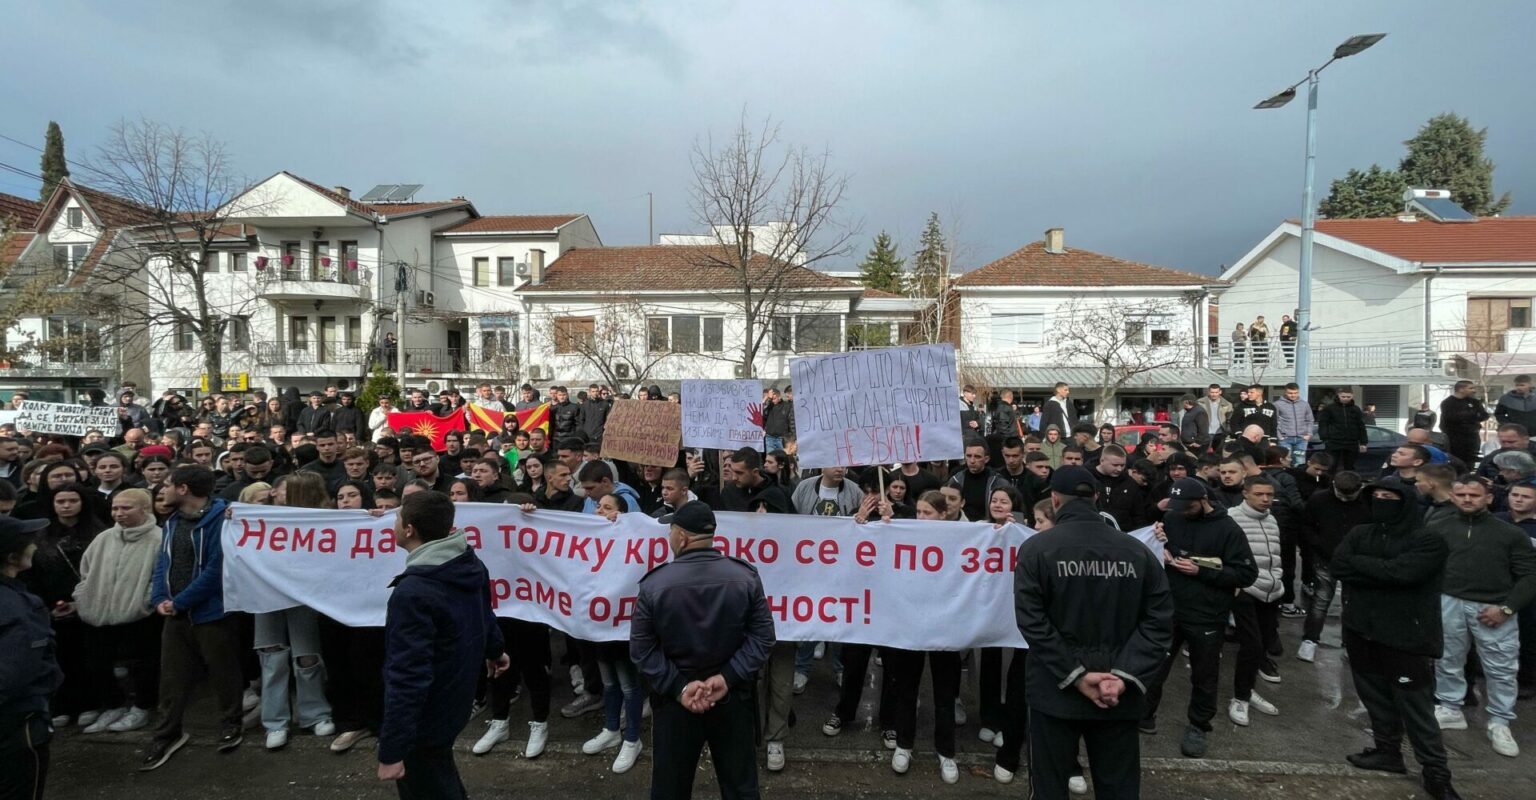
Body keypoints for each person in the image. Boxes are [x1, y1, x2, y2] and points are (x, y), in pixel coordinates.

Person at [1013, 465, 1174, 800]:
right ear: (1097, 498)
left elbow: (1032, 622)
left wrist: (1075, 674)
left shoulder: (1037, 550)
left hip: (1054, 690)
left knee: (1049, 788)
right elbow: (1159, 621)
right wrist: (1122, 676)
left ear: (1055, 500)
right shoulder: (1137, 552)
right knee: (1118, 788)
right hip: (1118, 693)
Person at [630, 501, 775, 800]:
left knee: (670, 787)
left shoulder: (654, 585)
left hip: (675, 703)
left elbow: (642, 650)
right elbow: (763, 638)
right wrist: (728, 677)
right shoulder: (745, 577)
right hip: (732, 697)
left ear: (681, 537)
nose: (669, 538)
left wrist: (680, 688)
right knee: (740, 786)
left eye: (671, 532)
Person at [1331, 478, 1461, 800]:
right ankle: (1387, 752)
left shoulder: (1428, 539)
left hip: (1406, 636)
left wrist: (1364, 567)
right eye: (1376, 496)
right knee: (1375, 698)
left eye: (1389, 497)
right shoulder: (1361, 533)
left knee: (1416, 707)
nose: (1381, 501)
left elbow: (1405, 574)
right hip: (1362, 631)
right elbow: (1338, 566)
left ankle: (1436, 773)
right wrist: (1382, 571)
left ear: (1404, 502)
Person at [377, 490, 508, 798]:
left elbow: (408, 673)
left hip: (426, 715)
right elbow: (482, 611)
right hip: (455, 699)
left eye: (396, 518)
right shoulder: (466, 561)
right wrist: (495, 649)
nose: (393, 524)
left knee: (429, 785)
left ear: (409, 529)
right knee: (439, 773)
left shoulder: (413, 592)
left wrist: (393, 748)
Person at [1140, 478, 1257, 757]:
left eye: (1188, 506)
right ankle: (1143, 714)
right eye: (1177, 507)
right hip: (1169, 608)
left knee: (1204, 674)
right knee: (1155, 665)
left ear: (1203, 500)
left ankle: (1199, 725)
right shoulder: (1173, 517)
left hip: (1207, 614)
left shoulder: (1228, 528)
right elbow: (1158, 542)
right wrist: (1161, 549)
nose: (1182, 511)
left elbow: (1246, 574)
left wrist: (1202, 572)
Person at [141, 465, 245, 770]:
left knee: (222, 670)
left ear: (184, 489)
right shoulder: (172, 521)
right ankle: (167, 733)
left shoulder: (221, 520)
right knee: (171, 678)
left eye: (169, 484)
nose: (163, 490)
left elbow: (216, 568)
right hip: (176, 613)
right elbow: (164, 561)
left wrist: (181, 601)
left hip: (211, 612)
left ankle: (230, 722)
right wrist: (160, 597)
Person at [1426, 476, 1536, 759]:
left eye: (1474, 495)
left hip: (1493, 608)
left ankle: (1500, 721)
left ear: (1488, 498)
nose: (1466, 500)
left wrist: (1507, 608)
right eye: (1461, 494)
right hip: (1448, 600)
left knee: (1501, 667)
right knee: (1447, 657)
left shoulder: (1511, 534)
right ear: (1452, 496)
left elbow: (1529, 576)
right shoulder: (1438, 526)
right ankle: (1450, 707)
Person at [72, 488, 163, 734]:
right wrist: (82, 597)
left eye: (126, 508)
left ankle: (142, 708)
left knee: (142, 664)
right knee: (97, 663)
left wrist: (144, 603)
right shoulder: (103, 538)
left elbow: (160, 577)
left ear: (145, 509)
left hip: (138, 616)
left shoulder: (159, 539)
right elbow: (86, 571)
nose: (118, 513)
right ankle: (113, 705)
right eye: (115, 508)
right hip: (98, 613)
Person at [0, 514, 62, 799]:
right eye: (29, 542)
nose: (35, 546)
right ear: (13, 557)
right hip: (16, 723)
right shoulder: (20, 607)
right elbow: (13, 676)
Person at [1295, 471, 1371, 663]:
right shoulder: (1319, 500)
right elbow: (1306, 525)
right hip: (1325, 557)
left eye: (1350, 495)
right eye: (1341, 494)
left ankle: (1350, 643)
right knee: (1321, 600)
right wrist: (1318, 545)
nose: (1345, 499)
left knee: (1351, 603)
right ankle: (1310, 639)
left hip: (1355, 561)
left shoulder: (1368, 503)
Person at [1228, 476, 1284, 726]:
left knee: (1262, 645)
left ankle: (1249, 690)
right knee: (1250, 645)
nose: (1265, 499)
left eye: (1269, 495)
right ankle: (1240, 697)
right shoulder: (1232, 518)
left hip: (1273, 591)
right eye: (1259, 494)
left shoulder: (1272, 519)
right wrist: (1235, 584)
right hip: (1246, 590)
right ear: (1245, 494)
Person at [1317, 388, 1369, 473]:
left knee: (1350, 466)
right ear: (1338, 396)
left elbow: (1361, 426)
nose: (1345, 399)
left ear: (1352, 396)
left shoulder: (1356, 409)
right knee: (1331, 466)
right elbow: (1323, 424)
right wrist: (1324, 438)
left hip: (1351, 442)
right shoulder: (1330, 408)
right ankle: (1329, 485)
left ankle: (1349, 484)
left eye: (1348, 397)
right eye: (1343, 396)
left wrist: (1363, 442)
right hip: (1334, 442)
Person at [1439, 381, 1490, 467]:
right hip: (1455, 438)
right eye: (1470, 388)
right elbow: (1452, 418)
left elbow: (1484, 415)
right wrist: (1471, 416)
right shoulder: (1448, 403)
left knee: (1470, 461)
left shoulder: (1475, 402)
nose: (1473, 391)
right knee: (1456, 462)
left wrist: (1469, 417)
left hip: (1472, 436)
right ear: (1461, 389)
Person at [1274, 383, 1314, 467]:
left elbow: (1310, 420)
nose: (1293, 395)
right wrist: (1279, 436)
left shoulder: (1304, 404)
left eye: (1295, 393)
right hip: (1285, 439)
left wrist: (1309, 433)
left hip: (1301, 439)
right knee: (1285, 462)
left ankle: (1299, 480)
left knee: (1300, 462)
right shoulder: (1277, 404)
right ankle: (1287, 479)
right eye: (1290, 393)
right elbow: (1274, 421)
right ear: (1285, 392)